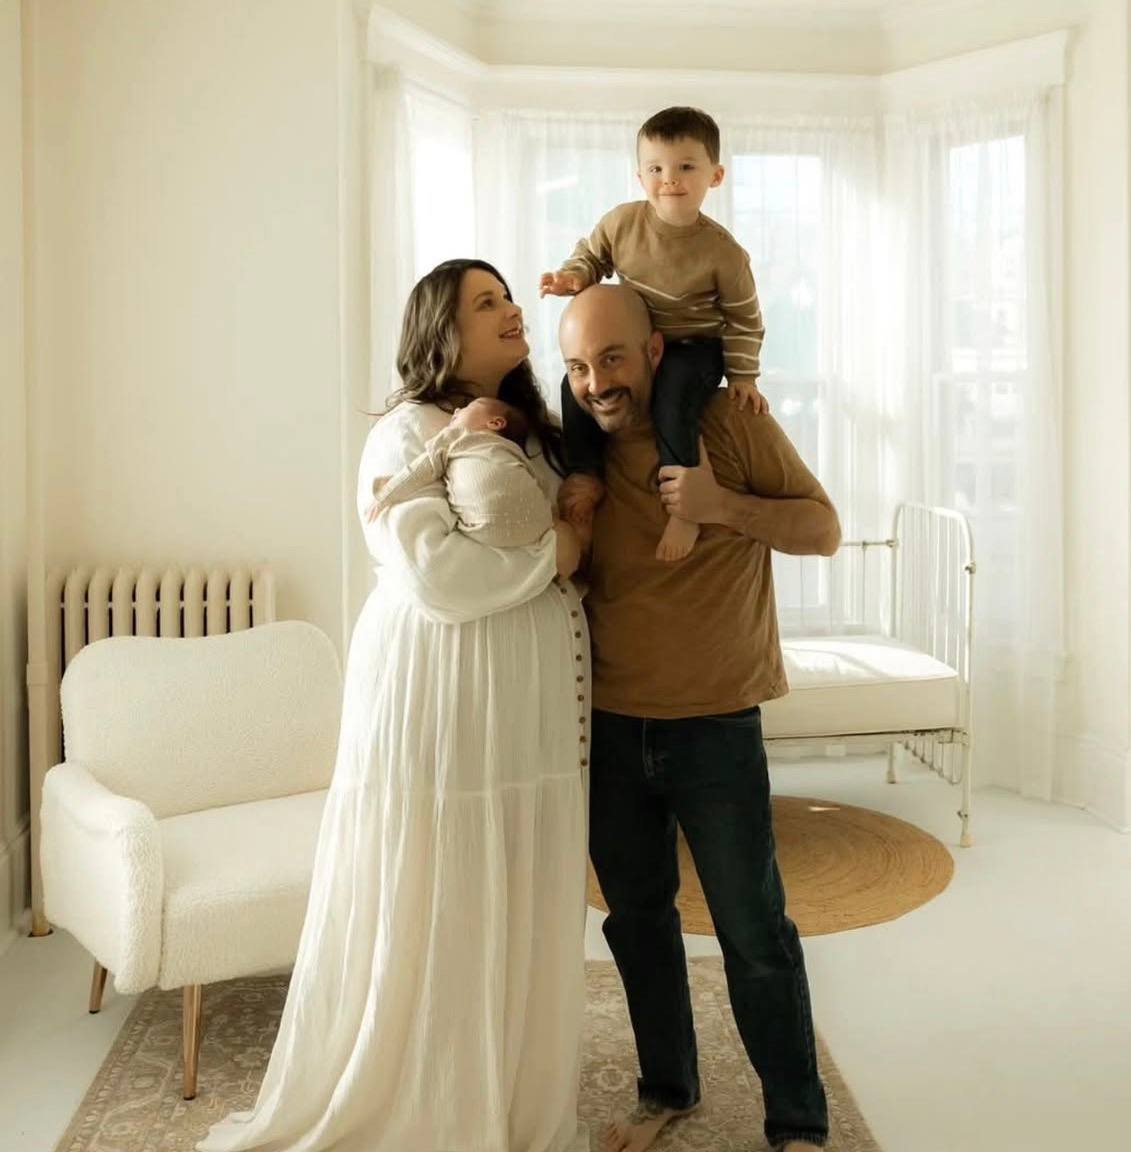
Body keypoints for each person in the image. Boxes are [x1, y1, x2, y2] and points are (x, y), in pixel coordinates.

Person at [198, 259, 589, 1152]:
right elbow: (437, 576)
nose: (509, 310)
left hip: (524, 706)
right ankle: (429, 1105)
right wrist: (555, 557)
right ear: (440, 330)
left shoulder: (537, 433)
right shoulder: (403, 432)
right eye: (484, 302)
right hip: (442, 690)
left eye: (507, 296)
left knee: (512, 892)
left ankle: (509, 1099)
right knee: (443, 886)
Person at [558, 284, 840, 1152]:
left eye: (611, 358)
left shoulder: (726, 421)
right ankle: (666, 1090)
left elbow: (822, 529)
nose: (594, 383)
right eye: (574, 367)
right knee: (635, 924)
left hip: (715, 725)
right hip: (606, 727)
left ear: (653, 352)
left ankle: (796, 1122)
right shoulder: (576, 458)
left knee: (753, 932)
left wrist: (725, 509)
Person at [540, 106, 769, 564]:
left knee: (675, 391)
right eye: (656, 168)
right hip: (641, 341)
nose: (671, 179)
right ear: (640, 175)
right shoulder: (623, 223)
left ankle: (683, 498)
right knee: (574, 384)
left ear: (715, 176)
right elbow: (592, 255)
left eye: (687, 167)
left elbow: (744, 320)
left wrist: (744, 376)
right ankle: (586, 472)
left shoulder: (724, 254)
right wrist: (572, 277)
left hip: (694, 346)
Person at [363, 395, 558, 552]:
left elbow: (421, 468)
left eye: (469, 407)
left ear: (495, 423)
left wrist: (386, 494)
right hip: (536, 527)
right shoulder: (514, 454)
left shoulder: (456, 437)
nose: (456, 411)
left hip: (483, 528)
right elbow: (539, 482)